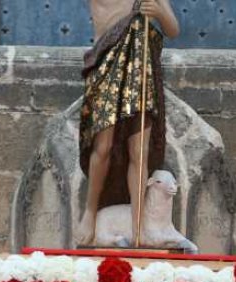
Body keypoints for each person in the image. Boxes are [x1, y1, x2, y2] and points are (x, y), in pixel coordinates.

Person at [76, 0, 180, 246]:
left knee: (139, 150)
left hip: (140, 70)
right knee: (103, 146)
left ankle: (138, 225)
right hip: (107, 63)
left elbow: (173, 29)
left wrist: (159, 11)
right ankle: (90, 211)